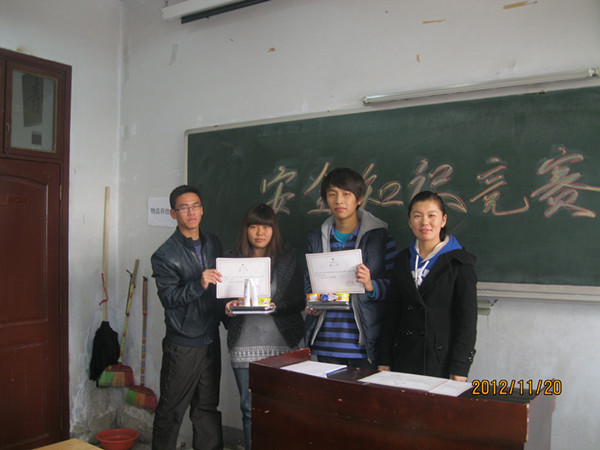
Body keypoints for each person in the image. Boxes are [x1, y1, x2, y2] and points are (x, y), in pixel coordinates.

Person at [224, 204, 305, 450]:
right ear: (245, 229)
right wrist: (227, 306)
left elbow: (299, 300)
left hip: (283, 344)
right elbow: (220, 301)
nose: (260, 232)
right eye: (254, 226)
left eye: (266, 227)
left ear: (274, 230)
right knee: (250, 408)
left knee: (285, 408)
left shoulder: (288, 257)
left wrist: (276, 306)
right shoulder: (231, 259)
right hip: (244, 346)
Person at [151, 185, 225, 450]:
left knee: (207, 408)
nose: (191, 212)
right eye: (183, 208)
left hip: (210, 337)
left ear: (202, 210)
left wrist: (228, 310)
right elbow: (169, 298)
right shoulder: (164, 255)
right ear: (173, 213)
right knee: (171, 410)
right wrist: (199, 284)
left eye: (195, 206)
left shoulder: (213, 242)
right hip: (183, 343)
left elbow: (220, 288)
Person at [378, 190, 477, 381]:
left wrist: (460, 367)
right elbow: (392, 313)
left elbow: (467, 320)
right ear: (410, 222)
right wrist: (384, 357)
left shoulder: (460, 263)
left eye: (432, 215)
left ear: (443, 220)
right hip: (403, 358)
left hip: (440, 361)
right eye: (417, 216)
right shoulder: (402, 260)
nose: (425, 222)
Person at [304, 167, 398, 369]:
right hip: (325, 343)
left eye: (346, 194)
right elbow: (308, 281)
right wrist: (312, 301)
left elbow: (395, 286)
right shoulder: (317, 239)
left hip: (364, 345)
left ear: (359, 199)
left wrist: (371, 285)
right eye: (332, 194)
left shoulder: (380, 238)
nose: (339, 201)